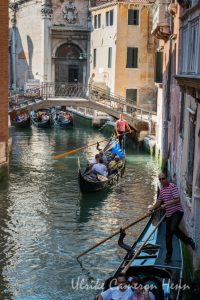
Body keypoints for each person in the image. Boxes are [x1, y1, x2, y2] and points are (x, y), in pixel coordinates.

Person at [149, 172, 195, 264]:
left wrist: (165, 204)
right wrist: (151, 209)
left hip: (177, 212)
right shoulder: (162, 190)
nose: (162, 180)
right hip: (169, 214)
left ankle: (188, 240)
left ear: (167, 178)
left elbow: (177, 199)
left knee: (173, 228)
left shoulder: (172, 186)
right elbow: (158, 202)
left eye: (163, 178)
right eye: (160, 179)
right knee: (168, 237)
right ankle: (168, 257)